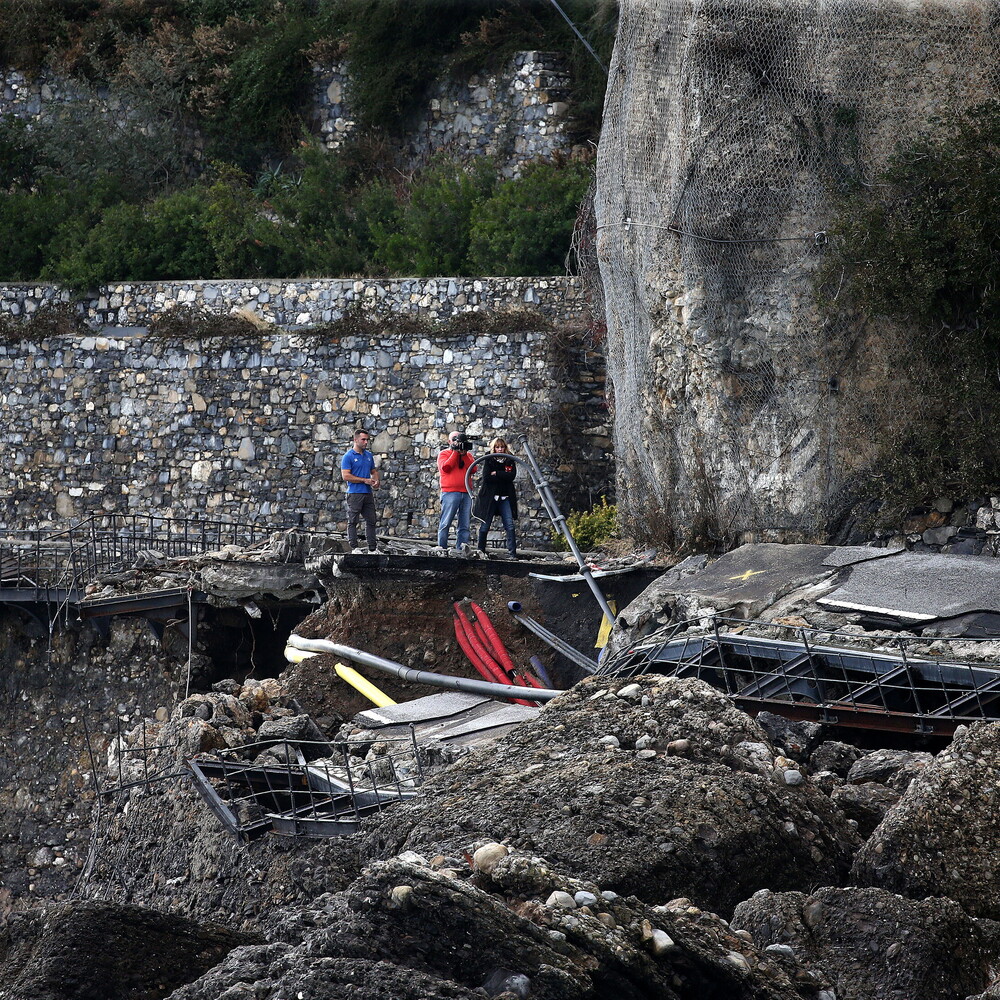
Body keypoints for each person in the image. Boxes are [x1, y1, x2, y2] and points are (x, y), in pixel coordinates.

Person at [474, 437, 518, 558]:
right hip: (490, 497)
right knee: (485, 524)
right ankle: (480, 551)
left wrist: (497, 473)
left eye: (502, 447)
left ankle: (512, 553)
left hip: (505, 497)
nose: (500, 449)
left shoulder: (510, 459)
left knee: (509, 524)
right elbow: (487, 477)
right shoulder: (489, 458)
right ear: (494, 448)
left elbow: (512, 476)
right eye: (497, 447)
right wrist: (503, 475)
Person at [340, 428, 380, 553]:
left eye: (367, 440)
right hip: (354, 493)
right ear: (355, 440)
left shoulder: (368, 456)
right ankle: (354, 547)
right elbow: (345, 476)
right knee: (353, 520)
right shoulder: (348, 456)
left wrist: (376, 481)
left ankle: (372, 549)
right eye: (363, 439)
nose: (366, 442)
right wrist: (364, 480)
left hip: (367, 493)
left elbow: (373, 471)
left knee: (371, 520)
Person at [437, 429, 476, 552]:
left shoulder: (467, 455)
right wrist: (455, 452)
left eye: (458, 439)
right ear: (449, 441)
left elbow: (473, 469)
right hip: (450, 492)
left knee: (464, 524)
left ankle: (462, 549)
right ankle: (442, 549)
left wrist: (463, 454)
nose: (456, 442)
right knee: (446, 522)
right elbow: (446, 468)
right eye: (454, 439)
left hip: (466, 492)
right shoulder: (444, 454)